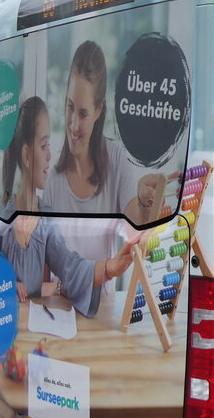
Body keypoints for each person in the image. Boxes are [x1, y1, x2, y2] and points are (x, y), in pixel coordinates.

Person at [0, 96, 134, 318]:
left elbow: (70, 266)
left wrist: (108, 268)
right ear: (27, 155)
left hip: (37, 332)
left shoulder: (47, 219)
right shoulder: (3, 222)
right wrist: (7, 284)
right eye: (44, 145)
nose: (50, 155)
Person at [43, 39, 162, 266]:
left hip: (103, 299)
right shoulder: (53, 176)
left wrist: (144, 202)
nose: (73, 124)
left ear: (99, 110)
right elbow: (46, 256)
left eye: (84, 113)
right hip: (59, 300)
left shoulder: (117, 162)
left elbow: (136, 237)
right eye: (70, 107)